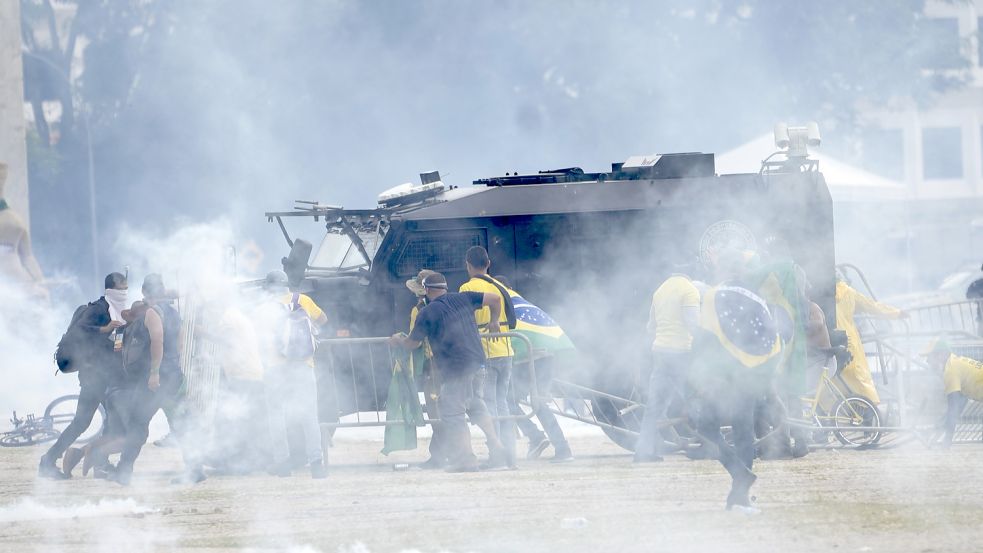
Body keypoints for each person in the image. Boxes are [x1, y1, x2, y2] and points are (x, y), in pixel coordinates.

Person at [688, 249, 782, 512]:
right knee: (743, 432)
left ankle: (739, 477)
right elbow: (773, 338)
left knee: (706, 427)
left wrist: (701, 375)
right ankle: (739, 493)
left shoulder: (713, 296)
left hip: (723, 376)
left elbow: (706, 339)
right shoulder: (757, 298)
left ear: (722, 270)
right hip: (752, 376)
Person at [390, 272, 507, 472]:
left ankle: (466, 460)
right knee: (476, 407)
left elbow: (412, 344)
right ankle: (499, 452)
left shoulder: (426, 313)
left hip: (456, 368)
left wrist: (397, 340)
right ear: (444, 287)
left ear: (426, 290)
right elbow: (496, 299)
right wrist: (494, 320)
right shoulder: (464, 297)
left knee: (453, 413)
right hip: (478, 363)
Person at [113, 274, 202, 485]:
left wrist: (154, 373)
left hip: (157, 379)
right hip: (173, 375)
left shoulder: (153, 312)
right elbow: (180, 343)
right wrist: (174, 366)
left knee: (138, 422)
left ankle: (124, 471)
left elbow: (157, 341)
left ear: (145, 292)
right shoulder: (173, 312)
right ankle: (195, 469)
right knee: (181, 423)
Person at [38, 272, 128, 479]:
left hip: (104, 374)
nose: (124, 293)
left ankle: (98, 463)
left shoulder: (116, 309)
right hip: (93, 375)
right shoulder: (99, 308)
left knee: (109, 421)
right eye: (121, 289)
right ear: (110, 289)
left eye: (126, 289)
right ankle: (49, 460)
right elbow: (80, 330)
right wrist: (104, 329)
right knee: (82, 422)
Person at [493, 275, 574, 463]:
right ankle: (562, 448)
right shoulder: (522, 302)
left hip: (528, 357)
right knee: (539, 402)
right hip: (546, 355)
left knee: (506, 400)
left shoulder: (504, 302)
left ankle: (535, 436)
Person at [261, 270, 329, 479]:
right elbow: (324, 319)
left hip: (276, 367)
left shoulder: (265, 309)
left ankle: (283, 465)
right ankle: (317, 465)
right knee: (310, 414)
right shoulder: (304, 300)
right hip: (304, 364)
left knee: (276, 415)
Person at [459, 246, 518, 468]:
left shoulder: (467, 288)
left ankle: (498, 456)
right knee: (503, 405)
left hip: (486, 352)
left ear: (468, 264)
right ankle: (510, 455)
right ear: (488, 263)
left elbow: (466, 320)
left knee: (489, 406)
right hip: (507, 350)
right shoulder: (501, 286)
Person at [634, 270, 701, 463]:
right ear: (688, 275)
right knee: (694, 397)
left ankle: (643, 451)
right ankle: (708, 444)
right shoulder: (690, 290)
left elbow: (651, 327)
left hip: (660, 352)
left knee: (654, 405)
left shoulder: (660, 290)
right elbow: (693, 324)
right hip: (682, 352)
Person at [834, 278, 908, 405]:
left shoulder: (823, 294)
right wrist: (897, 313)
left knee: (836, 380)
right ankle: (870, 408)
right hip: (850, 342)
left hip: (832, 340)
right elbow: (872, 306)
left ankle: (837, 413)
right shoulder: (849, 292)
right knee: (860, 378)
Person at [924, 338, 983, 448]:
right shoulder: (954, 363)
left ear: (941, 355)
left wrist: (947, 441)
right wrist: (938, 428)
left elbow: (953, 409)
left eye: (930, 357)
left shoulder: (950, 371)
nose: (927, 361)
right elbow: (961, 402)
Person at [0, 162, 46, 298]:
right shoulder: (15, 221)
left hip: (13, 281)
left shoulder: (14, 221)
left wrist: (40, 281)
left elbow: (28, 257)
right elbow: (28, 257)